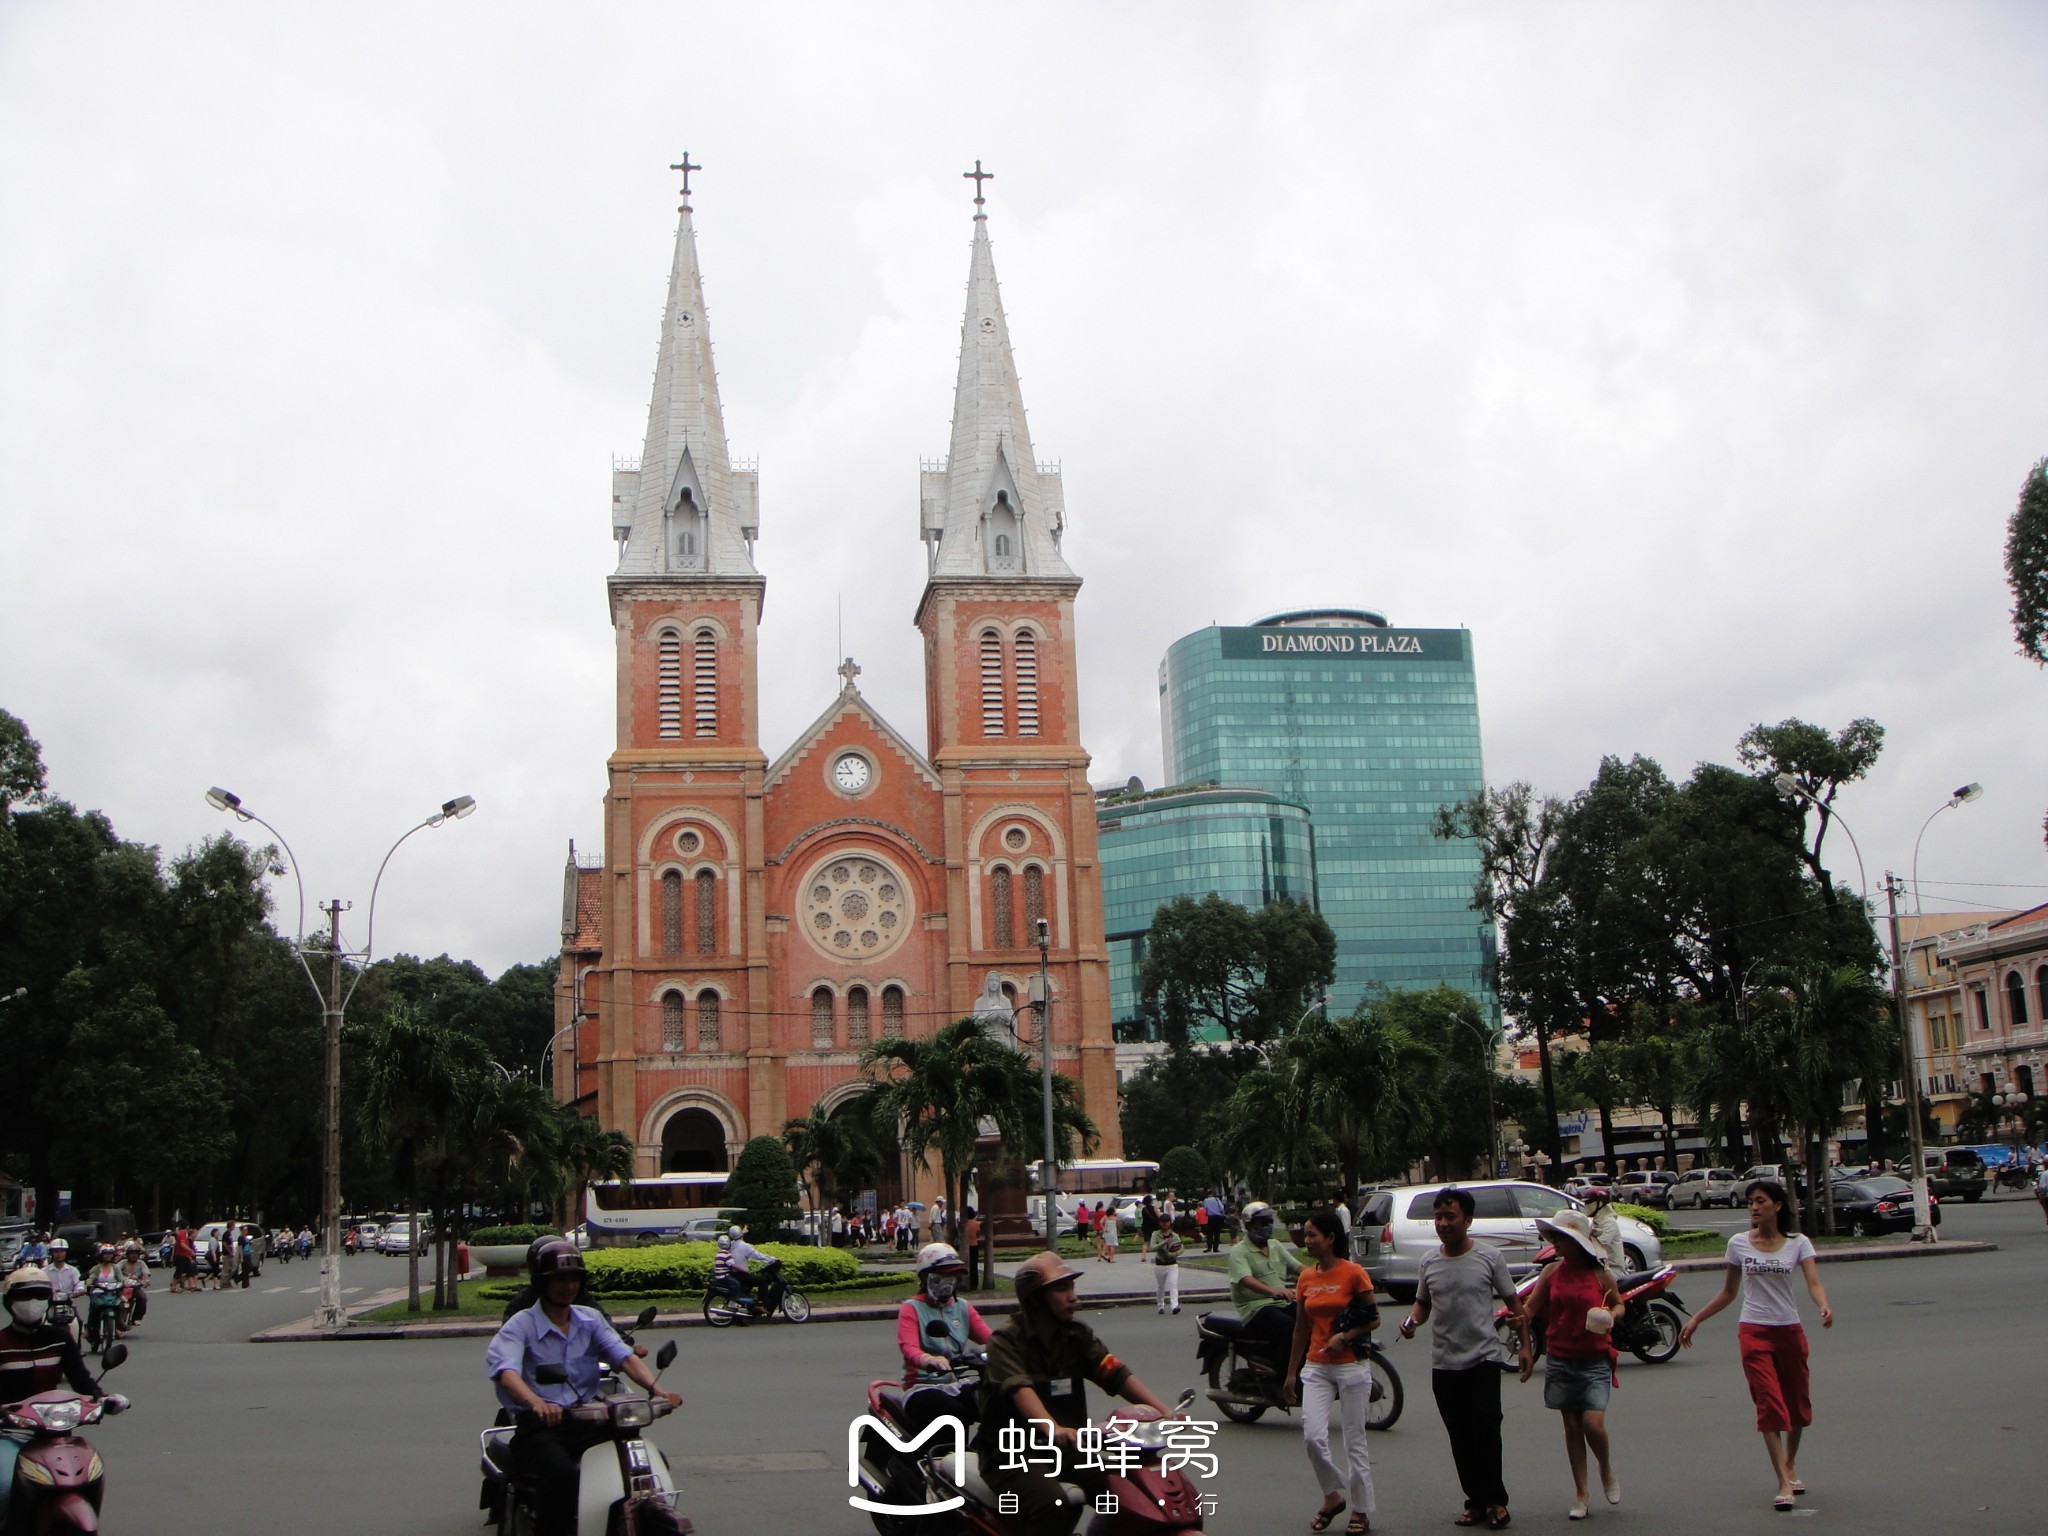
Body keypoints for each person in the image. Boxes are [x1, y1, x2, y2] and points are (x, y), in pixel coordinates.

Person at [977, 1251, 1182, 1536]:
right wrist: (1054, 1428)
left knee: (1127, 1488)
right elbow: (1019, 1389)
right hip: (1013, 1455)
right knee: (1054, 1504)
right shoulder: (1006, 1340)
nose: (1072, 1296)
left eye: (1071, 1287)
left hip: (1067, 1451)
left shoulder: (1076, 1334)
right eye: (1061, 1289)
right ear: (1036, 1299)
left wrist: (1164, 1412)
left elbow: (1115, 1374)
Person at [485, 1242, 679, 1536]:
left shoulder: (590, 1319)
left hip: (588, 1420)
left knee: (646, 1460)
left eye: (575, 1278)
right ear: (542, 1282)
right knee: (562, 1474)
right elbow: (507, 1372)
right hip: (540, 1425)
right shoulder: (519, 1326)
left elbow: (623, 1357)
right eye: (560, 1279)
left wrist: (658, 1390)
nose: (569, 1286)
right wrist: (536, 1402)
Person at [1678, 1180, 1833, 1511]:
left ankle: (1789, 1464)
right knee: (1769, 1405)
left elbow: (1813, 1282)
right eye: (1750, 1202)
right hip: (1754, 1331)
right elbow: (1729, 1292)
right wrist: (1696, 1319)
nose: (1753, 1207)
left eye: (1760, 1201)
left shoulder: (1798, 1243)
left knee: (1798, 1410)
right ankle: (1781, 1481)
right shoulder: (1738, 1244)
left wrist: (1823, 1304)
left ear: (1777, 1206)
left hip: (1789, 1331)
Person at [1399, 1187, 1523, 1531]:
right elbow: (1422, 1303)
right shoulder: (1429, 1262)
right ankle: (1475, 1501)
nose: (1442, 1223)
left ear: (1467, 1220)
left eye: (1450, 1216)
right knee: (1460, 1436)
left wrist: (1525, 1346)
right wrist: (1411, 1322)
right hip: (1444, 1363)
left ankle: (1496, 1501)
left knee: (1486, 1428)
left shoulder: (1489, 1257)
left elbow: (1514, 1304)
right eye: (1438, 1217)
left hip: (1483, 1358)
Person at [1520, 1210, 1622, 1519]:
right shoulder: (1551, 1273)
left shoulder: (1600, 1274)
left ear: (1578, 1242)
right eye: (1555, 1238)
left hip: (1594, 1359)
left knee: (1593, 1423)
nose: (1555, 1244)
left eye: (1561, 1238)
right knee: (1572, 1427)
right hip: (1561, 1358)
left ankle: (1605, 1468)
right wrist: (1517, 1321)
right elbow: (1531, 1308)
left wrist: (1611, 1316)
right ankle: (1581, 1492)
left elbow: (1619, 1303)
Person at [1283, 1209, 1379, 1534]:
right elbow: (1300, 1328)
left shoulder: (1354, 1274)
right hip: (1316, 1366)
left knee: (1354, 1440)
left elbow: (1373, 1318)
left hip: (1351, 1364)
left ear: (1331, 1238)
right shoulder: (1306, 1278)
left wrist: (1346, 1336)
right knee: (1312, 1437)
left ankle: (1361, 1511)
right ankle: (1333, 1495)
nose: (1306, 1240)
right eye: (1305, 1234)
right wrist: (1291, 1373)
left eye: (1312, 1235)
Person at [1, 1267, 120, 1525]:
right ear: (9, 1302)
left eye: (40, 1296)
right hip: (11, 1433)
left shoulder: (59, 1338)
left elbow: (81, 1378)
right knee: (3, 1485)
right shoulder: (1, 1343)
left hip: (56, 1433)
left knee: (91, 1471)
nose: (32, 1303)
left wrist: (102, 1399)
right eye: (25, 1297)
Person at [897, 1243, 993, 1386]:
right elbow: (909, 1348)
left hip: (956, 1382)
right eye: (944, 1275)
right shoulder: (911, 1308)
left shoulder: (962, 1307)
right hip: (922, 1385)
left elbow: (990, 1339)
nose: (950, 1280)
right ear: (925, 1277)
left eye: (953, 1275)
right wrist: (929, 1360)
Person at [1226, 1200, 1303, 1351]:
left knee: (1311, 1318)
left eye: (1270, 1222)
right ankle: (1286, 1373)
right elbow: (1246, 1279)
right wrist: (1273, 1292)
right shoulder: (1239, 1251)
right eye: (1263, 1222)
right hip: (1256, 1308)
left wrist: (1323, 1277)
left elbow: (1299, 1268)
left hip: (1281, 1304)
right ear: (1248, 1225)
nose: (1268, 1227)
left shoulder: (1275, 1245)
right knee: (1289, 1328)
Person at [1579, 1186, 1624, 1274]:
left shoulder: (1609, 1223)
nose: (1585, 1205)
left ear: (1599, 1203)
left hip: (1612, 1270)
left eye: (1588, 1202)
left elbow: (1598, 1246)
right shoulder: (1597, 1221)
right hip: (1601, 1267)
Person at [1146, 1217, 1183, 1315]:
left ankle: (1174, 1305)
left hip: (1172, 1263)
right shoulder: (1155, 1234)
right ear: (1159, 1223)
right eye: (1163, 1222)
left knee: (1173, 1284)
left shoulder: (1174, 1235)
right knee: (1161, 1287)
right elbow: (1152, 1247)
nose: (1165, 1224)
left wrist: (1173, 1254)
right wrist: (1164, 1242)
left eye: (1167, 1222)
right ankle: (1160, 1305)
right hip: (1160, 1264)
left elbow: (1181, 1248)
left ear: (1170, 1223)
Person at [118, 1242, 151, 1329]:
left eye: (136, 1253)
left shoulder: (141, 1263)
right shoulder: (123, 1262)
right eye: (132, 1253)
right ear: (128, 1255)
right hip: (122, 1287)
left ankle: (137, 1318)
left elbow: (145, 1273)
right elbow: (116, 1270)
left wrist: (145, 1280)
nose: (134, 1256)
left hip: (135, 1287)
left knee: (142, 1298)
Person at [171, 1226, 196, 1294]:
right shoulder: (182, 1233)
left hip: (185, 1255)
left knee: (189, 1270)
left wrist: (189, 1256)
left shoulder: (184, 1234)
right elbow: (182, 1244)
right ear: (186, 1226)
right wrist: (190, 1250)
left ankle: (192, 1285)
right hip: (181, 1256)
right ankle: (173, 1286)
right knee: (179, 1271)